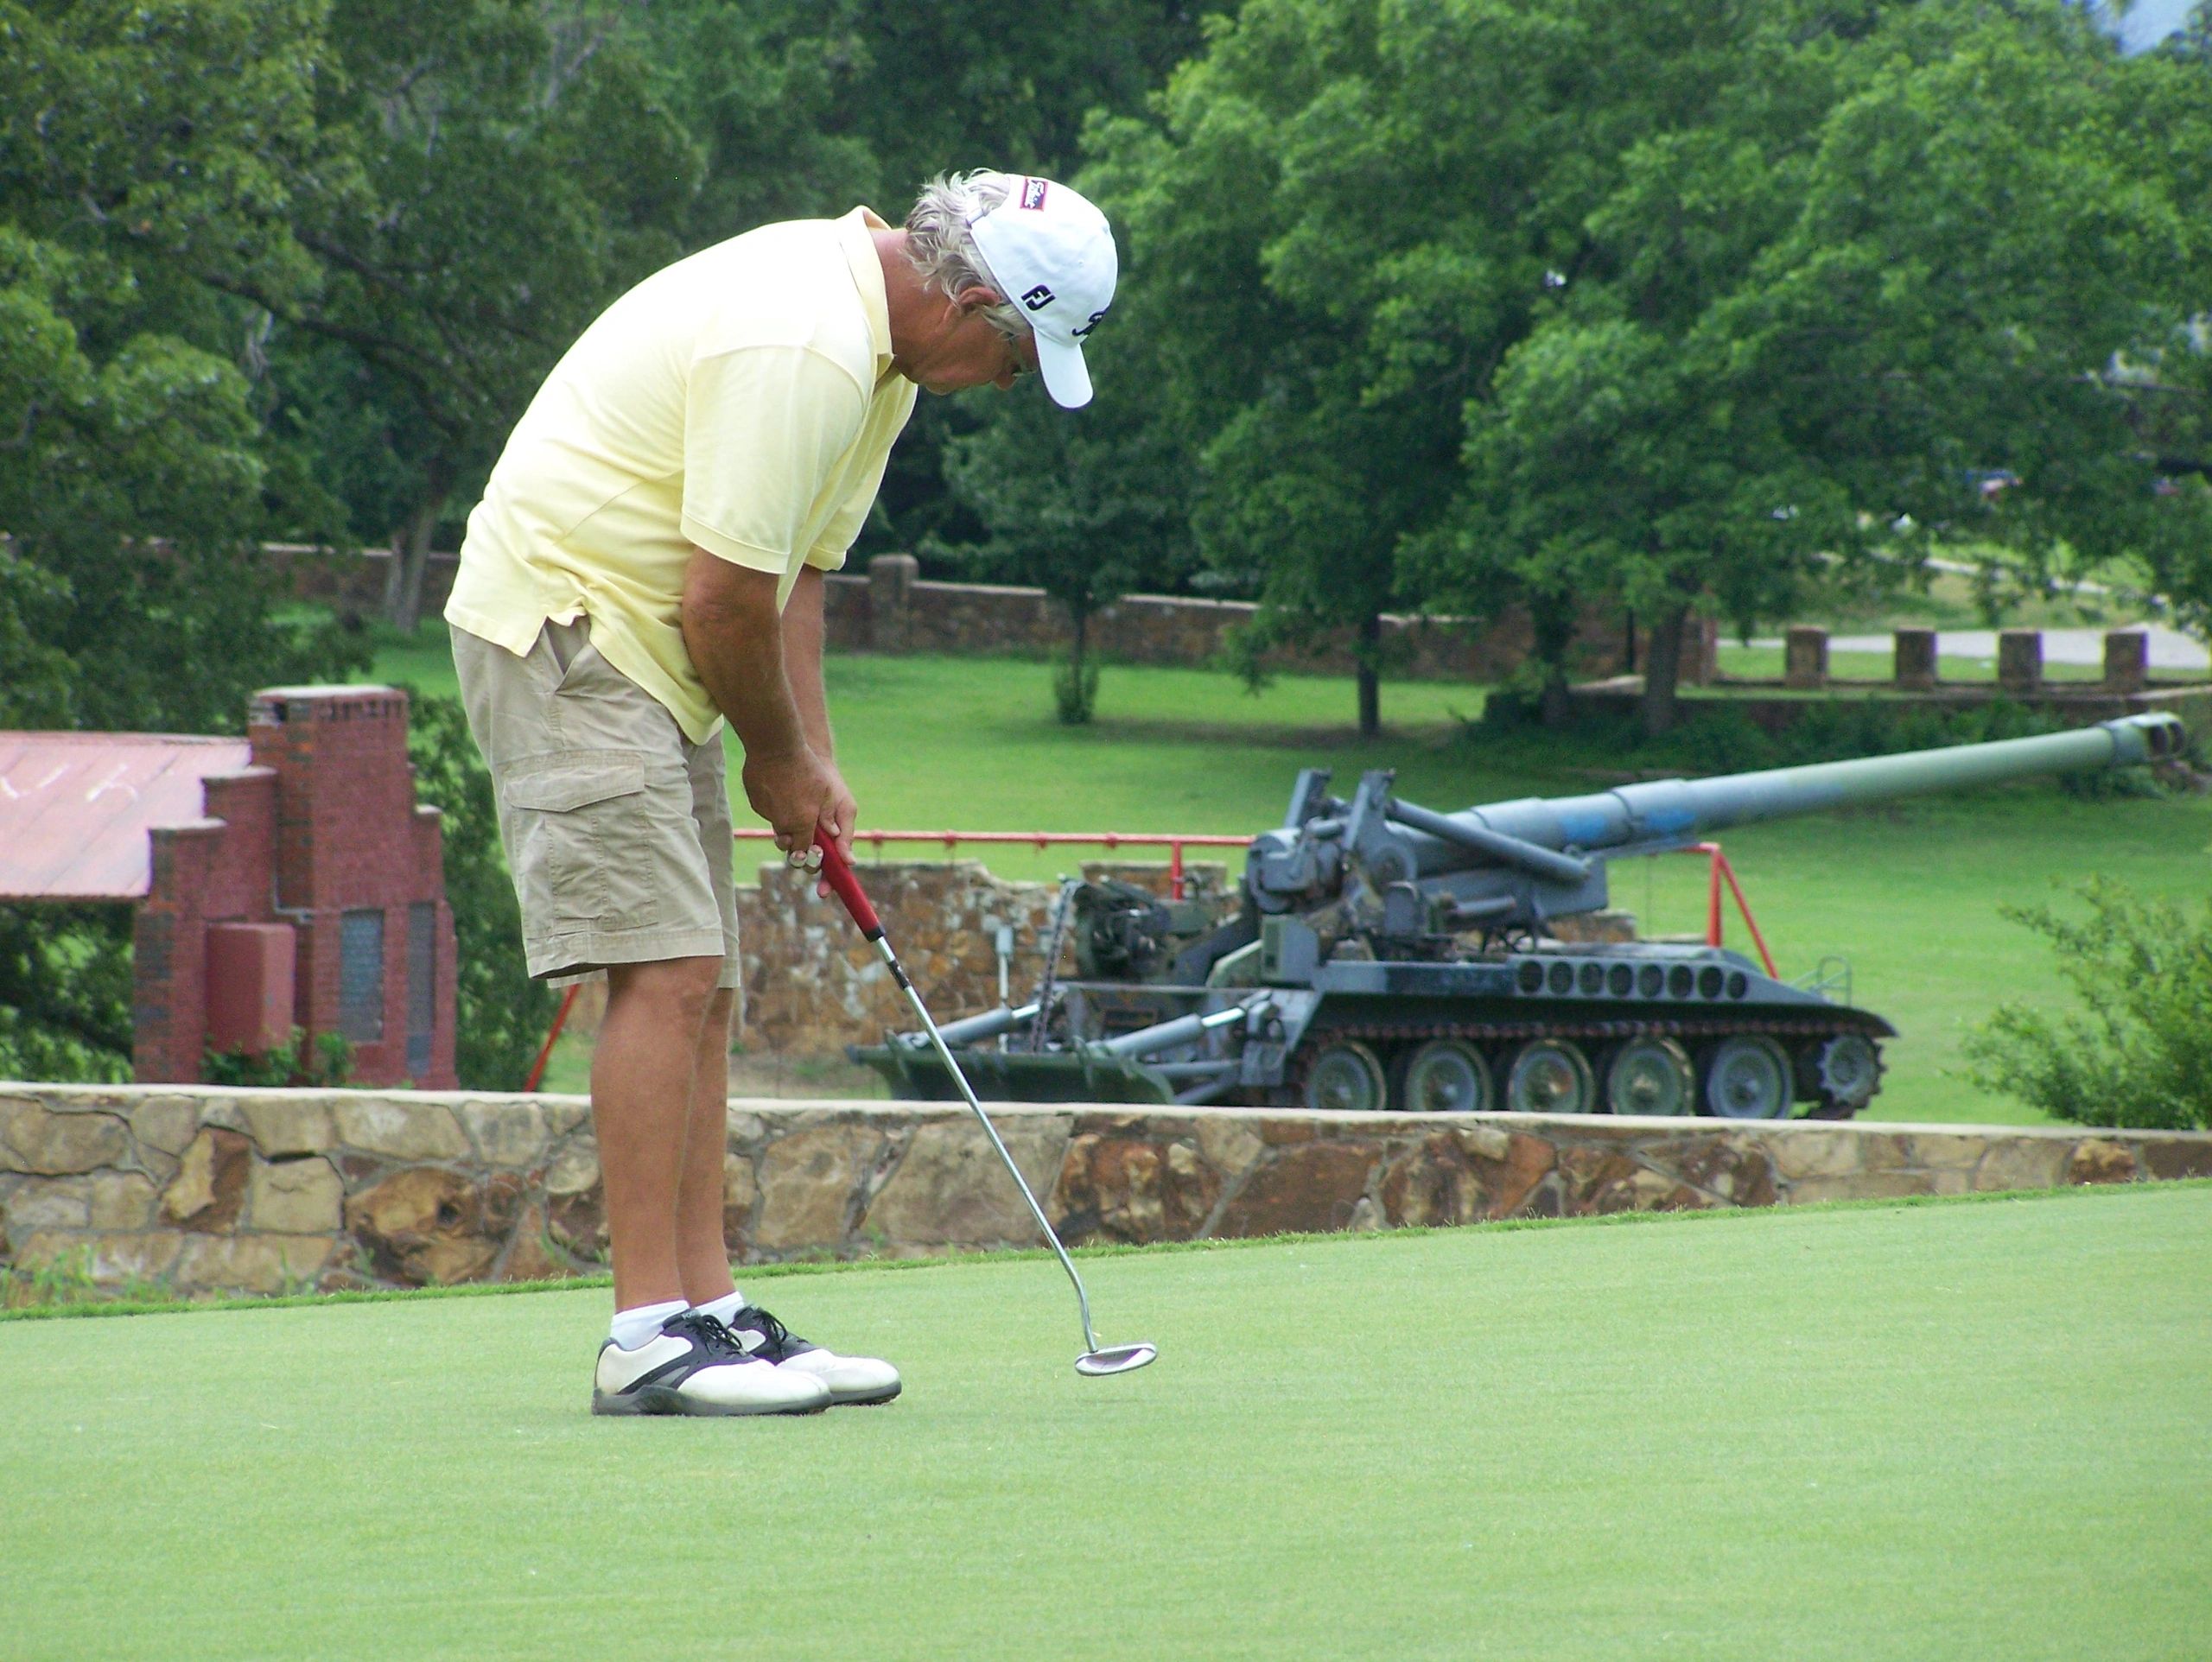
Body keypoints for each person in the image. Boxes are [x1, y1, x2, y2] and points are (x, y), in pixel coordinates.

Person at [444, 171, 1116, 1416]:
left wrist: (813, 756)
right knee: (661, 971)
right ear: (971, 302)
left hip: (658, 649)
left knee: (705, 986)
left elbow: (794, 574)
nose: (1015, 383)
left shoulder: (879, 363)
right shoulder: (803, 342)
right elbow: (721, 599)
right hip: (570, 624)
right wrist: (777, 759)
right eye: (1020, 356)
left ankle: (708, 1312)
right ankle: (645, 1336)